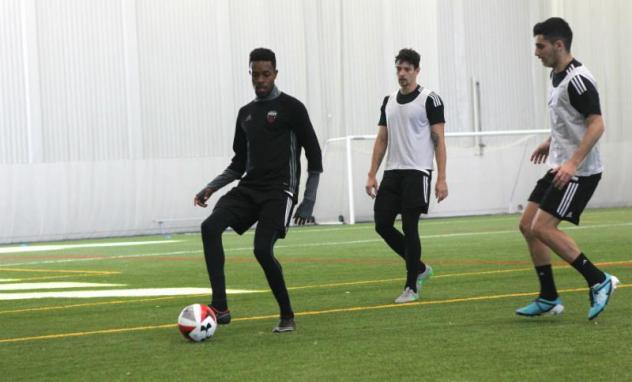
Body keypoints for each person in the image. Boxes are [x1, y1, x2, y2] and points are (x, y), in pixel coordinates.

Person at [194, 48, 322, 333]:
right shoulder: (246, 114)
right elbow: (239, 164)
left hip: (280, 192)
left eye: (266, 74)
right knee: (209, 227)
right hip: (249, 189)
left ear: (275, 73)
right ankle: (221, 308)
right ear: (249, 74)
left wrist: (308, 201)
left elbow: (315, 158)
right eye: (255, 74)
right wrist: (211, 188)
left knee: (262, 250)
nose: (260, 80)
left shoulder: (293, 108)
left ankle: (287, 315)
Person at [516, 17, 618, 320]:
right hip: (559, 165)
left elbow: (596, 124)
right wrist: (551, 141)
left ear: (558, 45)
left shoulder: (577, 79)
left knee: (542, 228)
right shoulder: (557, 76)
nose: (536, 52)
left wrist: (573, 162)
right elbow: (571, 120)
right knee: (527, 225)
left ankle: (598, 280)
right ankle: (548, 297)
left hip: (579, 171)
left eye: (540, 45)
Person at [365, 48, 448, 304]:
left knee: (410, 226)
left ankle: (411, 285)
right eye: (398, 69)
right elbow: (382, 139)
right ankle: (420, 267)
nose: (402, 74)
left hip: (418, 171)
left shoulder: (430, 99)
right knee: (381, 223)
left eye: (407, 69)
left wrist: (441, 177)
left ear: (416, 71)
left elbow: (439, 140)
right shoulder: (388, 101)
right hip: (393, 172)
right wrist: (371, 174)